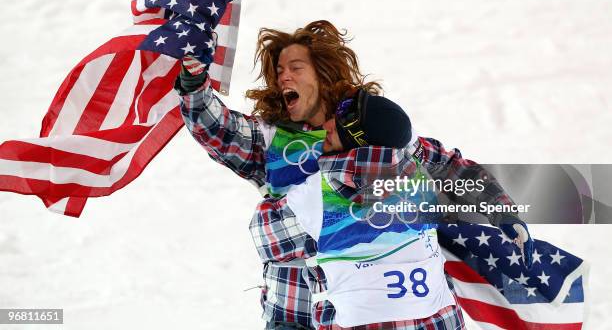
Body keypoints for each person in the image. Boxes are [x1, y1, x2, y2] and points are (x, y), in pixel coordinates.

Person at [174, 20, 532, 329]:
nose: (284, 76)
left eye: (295, 67)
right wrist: (194, 80)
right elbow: (216, 128)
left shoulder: (375, 129)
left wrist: (502, 210)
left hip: (382, 305)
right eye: (278, 70)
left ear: (324, 73)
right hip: (294, 308)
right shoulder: (272, 138)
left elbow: (453, 169)